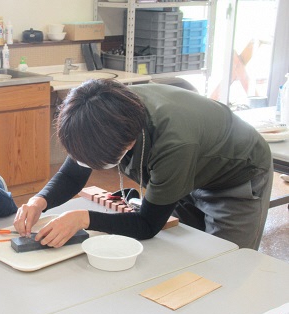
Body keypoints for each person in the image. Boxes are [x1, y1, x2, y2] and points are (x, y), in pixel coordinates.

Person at [14, 79, 273, 250]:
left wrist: (83, 218)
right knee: (184, 251)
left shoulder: (173, 143)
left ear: (127, 144)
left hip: (236, 175)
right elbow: (74, 173)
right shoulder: (109, 111)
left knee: (223, 260)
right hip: (191, 167)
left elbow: (148, 224)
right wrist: (39, 201)